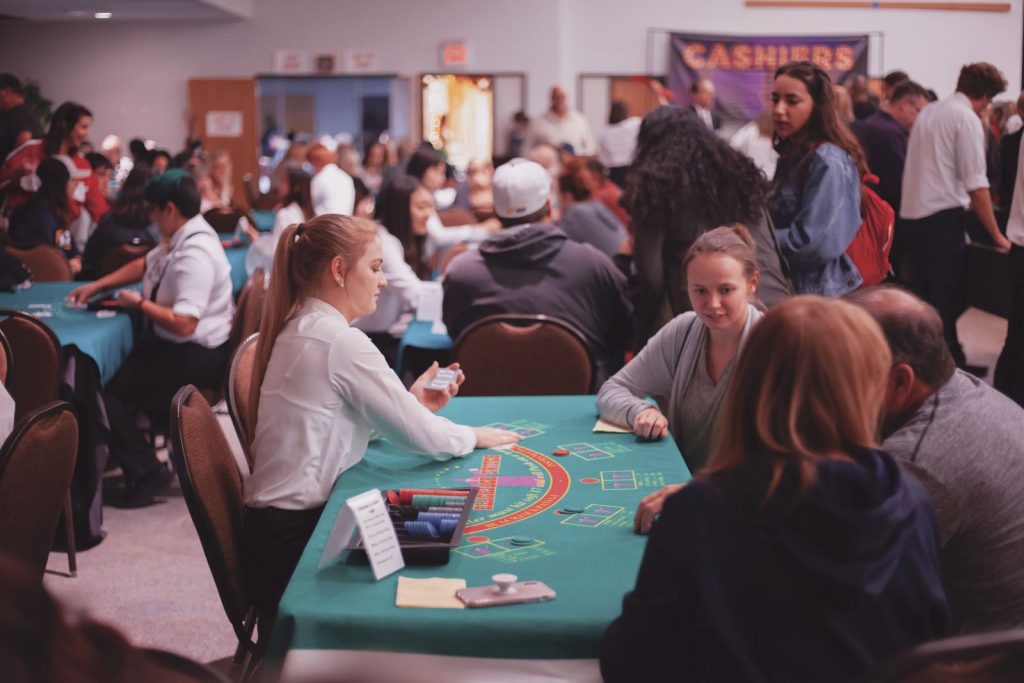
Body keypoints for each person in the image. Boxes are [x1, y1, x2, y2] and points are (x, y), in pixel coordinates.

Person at [600, 296, 949, 683]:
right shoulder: (911, 499)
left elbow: (632, 660)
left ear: (749, 383)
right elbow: (925, 638)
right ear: (865, 388)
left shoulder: (702, 510)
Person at [241, 213, 521, 629]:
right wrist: (474, 436)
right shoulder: (340, 341)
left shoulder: (304, 327)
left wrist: (409, 403)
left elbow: (338, 421)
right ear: (339, 270)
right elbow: (426, 438)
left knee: (438, 522)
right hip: (298, 546)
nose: (384, 280)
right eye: (374, 267)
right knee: (452, 532)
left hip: (271, 537)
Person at [849, 286, 1024, 633]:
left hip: (982, 652)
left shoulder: (916, 463)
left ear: (899, 380)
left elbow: (850, 582)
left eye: (842, 370)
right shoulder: (964, 387)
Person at [67, 170, 233, 507]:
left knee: (106, 388)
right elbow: (146, 263)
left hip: (197, 355)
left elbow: (185, 324)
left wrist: (139, 303)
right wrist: (100, 285)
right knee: (116, 371)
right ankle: (137, 457)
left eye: (154, 212)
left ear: (169, 209)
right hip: (180, 345)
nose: (153, 220)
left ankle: (146, 472)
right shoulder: (182, 236)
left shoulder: (195, 253)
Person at [443, 158, 632, 389]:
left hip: (483, 410)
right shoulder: (593, 265)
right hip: (577, 407)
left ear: (495, 211)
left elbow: (454, 332)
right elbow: (623, 332)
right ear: (550, 207)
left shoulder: (461, 272)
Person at [598, 225, 764, 474]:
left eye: (726, 290)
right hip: (684, 491)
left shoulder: (775, 344)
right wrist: (640, 410)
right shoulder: (682, 332)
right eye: (700, 291)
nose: (713, 304)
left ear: (752, 283)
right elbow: (611, 391)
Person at [627, 106, 790, 349]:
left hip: (718, 322)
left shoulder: (656, 189)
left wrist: (639, 337)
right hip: (778, 308)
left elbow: (651, 280)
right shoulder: (741, 175)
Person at [900, 62, 1011, 371]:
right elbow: (976, 183)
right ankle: (943, 368)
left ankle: (944, 361)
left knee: (925, 298)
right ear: (986, 96)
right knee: (949, 297)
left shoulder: (931, 112)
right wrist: (997, 236)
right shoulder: (965, 118)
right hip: (941, 218)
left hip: (912, 216)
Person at [770, 61, 865, 298]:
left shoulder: (827, 160)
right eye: (775, 99)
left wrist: (756, 238)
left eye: (792, 101)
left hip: (818, 295)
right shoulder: (794, 155)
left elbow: (812, 243)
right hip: (794, 288)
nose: (779, 109)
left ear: (817, 106)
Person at [353, 174, 432, 347]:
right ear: (400, 210)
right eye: (421, 207)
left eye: (429, 207)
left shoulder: (402, 240)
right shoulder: (383, 243)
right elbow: (414, 295)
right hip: (367, 337)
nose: (428, 214)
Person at [0, 101, 108, 223]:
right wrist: (17, 175)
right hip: (24, 232)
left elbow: (98, 208)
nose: (87, 133)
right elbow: (2, 181)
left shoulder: (83, 166)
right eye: (83, 127)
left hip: (62, 233)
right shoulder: (30, 151)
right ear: (65, 125)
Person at [406, 146, 495, 264]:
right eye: (438, 172)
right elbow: (439, 237)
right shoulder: (415, 195)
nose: (442, 179)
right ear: (424, 170)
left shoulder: (434, 196)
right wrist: (481, 230)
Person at [80, 164, 157, 280]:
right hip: (146, 291)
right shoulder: (160, 227)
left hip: (103, 287)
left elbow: (88, 259)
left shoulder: (108, 220)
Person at [7, 157, 82, 275]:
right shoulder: (43, 216)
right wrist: (70, 262)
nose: (76, 184)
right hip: (43, 278)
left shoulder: (56, 214)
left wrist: (74, 258)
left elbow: (66, 247)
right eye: (71, 180)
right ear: (61, 184)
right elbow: (46, 258)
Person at [246, 166, 315, 276]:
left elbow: (278, 253)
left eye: (284, 181)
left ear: (295, 188)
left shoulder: (285, 214)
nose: (279, 185)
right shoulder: (307, 212)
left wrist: (256, 240)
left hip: (286, 274)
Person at [556, 157, 628, 258]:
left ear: (566, 195)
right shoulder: (597, 206)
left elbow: (553, 243)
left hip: (619, 270)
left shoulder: (576, 213)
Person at [529, 86, 595, 155]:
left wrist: (580, 157)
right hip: (547, 163)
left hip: (574, 162)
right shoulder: (537, 122)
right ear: (552, 98)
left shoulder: (580, 120)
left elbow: (590, 147)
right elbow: (527, 149)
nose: (560, 100)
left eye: (562, 97)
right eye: (556, 97)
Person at [597, 101, 641, 188]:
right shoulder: (634, 124)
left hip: (614, 172)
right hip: (631, 169)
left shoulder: (604, 132)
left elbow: (603, 159)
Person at [0, 73, 42, 163]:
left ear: (7, 91)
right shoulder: (28, 112)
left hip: (10, 174)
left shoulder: (16, 112)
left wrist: (8, 166)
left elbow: (24, 137)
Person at [308, 143, 355, 216]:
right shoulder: (346, 177)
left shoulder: (319, 178)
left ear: (315, 162)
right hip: (345, 224)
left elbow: (309, 203)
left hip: (324, 224)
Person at [730, 109, 778, 180]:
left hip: (756, 178)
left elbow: (733, 147)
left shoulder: (749, 132)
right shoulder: (749, 132)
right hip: (757, 178)